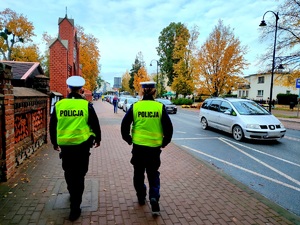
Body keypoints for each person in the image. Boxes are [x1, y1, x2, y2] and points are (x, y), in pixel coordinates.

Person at [49, 76, 101, 221]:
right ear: (81, 89)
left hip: (66, 147)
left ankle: (72, 192)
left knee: (69, 172)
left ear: (68, 89)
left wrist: (54, 142)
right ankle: (75, 207)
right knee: (80, 175)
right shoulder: (85, 105)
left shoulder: (59, 105)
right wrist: (98, 139)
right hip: (82, 147)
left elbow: (52, 125)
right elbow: (95, 123)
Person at [121, 81, 173, 216]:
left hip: (138, 148)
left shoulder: (136, 106)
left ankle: (141, 196)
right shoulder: (159, 107)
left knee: (138, 173)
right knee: (153, 173)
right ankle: (154, 196)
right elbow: (169, 128)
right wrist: (164, 142)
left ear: (142, 92)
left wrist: (128, 139)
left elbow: (124, 125)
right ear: (154, 92)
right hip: (154, 149)